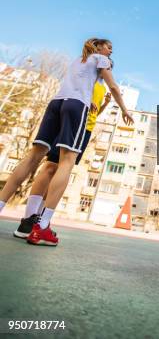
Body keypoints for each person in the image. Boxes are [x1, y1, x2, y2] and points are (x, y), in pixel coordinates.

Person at [0, 38, 134, 246]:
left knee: (33, 157)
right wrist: (124, 109)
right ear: (98, 47)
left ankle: (17, 213)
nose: (111, 51)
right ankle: (42, 226)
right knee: (67, 161)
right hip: (75, 107)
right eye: (109, 47)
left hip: (56, 104)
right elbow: (115, 87)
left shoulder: (78, 61)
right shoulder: (100, 59)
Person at [13, 77, 112, 240]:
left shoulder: (101, 87)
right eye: (108, 49)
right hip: (69, 124)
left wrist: (105, 105)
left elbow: (93, 113)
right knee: (50, 167)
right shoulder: (87, 75)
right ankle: (29, 218)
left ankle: (38, 220)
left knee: (60, 172)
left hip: (85, 129)